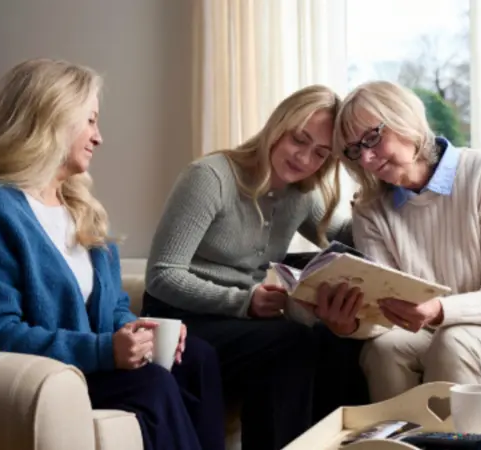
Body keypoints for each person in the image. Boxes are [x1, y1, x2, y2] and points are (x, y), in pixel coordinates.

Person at [0, 58, 225, 450]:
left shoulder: (79, 207)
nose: (98, 137)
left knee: (197, 359)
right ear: (52, 117)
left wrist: (140, 333)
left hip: (79, 369)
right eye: (90, 120)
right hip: (24, 381)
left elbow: (113, 309)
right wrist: (105, 351)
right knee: (152, 384)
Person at [143, 85, 369, 450]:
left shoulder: (301, 193)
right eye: (299, 139)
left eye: (320, 153)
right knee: (291, 342)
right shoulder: (210, 177)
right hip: (181, 319)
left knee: (335, 341)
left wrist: (376, 199)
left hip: (242, 325)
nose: (304, 158)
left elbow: (345, 235)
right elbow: (162, 275)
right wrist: (245, 302)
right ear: (278, 125)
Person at [332, 80, 481, 402]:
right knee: (384, 349)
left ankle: (454, 433)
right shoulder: (370, 209)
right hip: (437, 328)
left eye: (372, 138)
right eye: (354, 151)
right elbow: (386, 313)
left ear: (405, 118)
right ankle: (397, 432)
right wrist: (349, 325)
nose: (367, 159)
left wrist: (438, 310)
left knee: (455, 342)